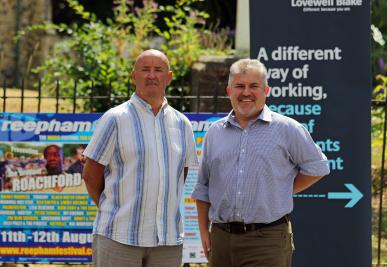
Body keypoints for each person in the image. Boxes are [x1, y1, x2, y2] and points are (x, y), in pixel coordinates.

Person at [191, 58, 330, 267]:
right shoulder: (215, 132)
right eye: (239, 86)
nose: (246, 92)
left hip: (267, 240)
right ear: (229, 91)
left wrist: (281, 188)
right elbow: (203, 187)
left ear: (266, 90)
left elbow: (318, 167)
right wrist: (204, 231)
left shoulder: (287, 129)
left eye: (253, 86)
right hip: (221, 239)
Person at [83, 49, 198, 267]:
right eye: (145, 70)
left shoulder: (182, 124)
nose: (152, 75)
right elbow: (90, 175)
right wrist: (115, 207)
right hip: (118, 236)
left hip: (167, 240)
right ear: (134, 76)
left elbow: (181, 174)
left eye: (158, 70)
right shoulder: (115, 119)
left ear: (169, 77)